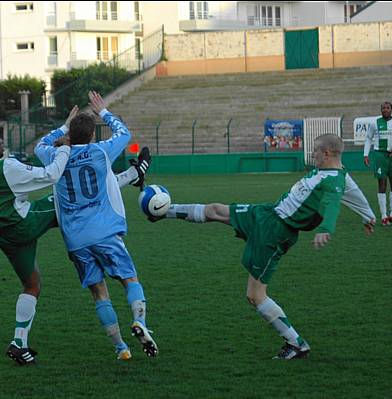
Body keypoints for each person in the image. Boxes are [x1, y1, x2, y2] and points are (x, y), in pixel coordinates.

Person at [0, 111, 150, 366]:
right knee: (67, 200)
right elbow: (51, 175)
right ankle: (132, 176)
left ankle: (19, 342)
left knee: (32, 286)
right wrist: (64, 148)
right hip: (23, 224)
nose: (2, 143)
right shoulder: (6, 166)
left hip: (1, 235)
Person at [149, 134, 375, 359]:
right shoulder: (339, 173)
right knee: (215, 210)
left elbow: (333, 204)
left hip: (276, 233)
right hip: (268, 213)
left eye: (315, 151)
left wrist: (326, 228)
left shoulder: (333, 180)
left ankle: (296, 343)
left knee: (255, 295)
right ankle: (161, 211)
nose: (312, 154)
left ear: (326, 154)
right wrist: (369, 216)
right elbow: (354, 191)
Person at [35, 91, 157, 361]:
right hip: (104, 232)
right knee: (129, 279)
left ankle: (121, 348)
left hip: (75, 239)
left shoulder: (56, 156)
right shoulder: (101, 151)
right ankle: (140, 322)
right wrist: (104, 112)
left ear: (70, 135)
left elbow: (39, 145)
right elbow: (124, 134)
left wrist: (63, 127)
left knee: (99, 292)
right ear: (91, 136)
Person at [363, 101, 392, 226]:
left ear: (391, 109)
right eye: (383, 108)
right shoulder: (375, 122)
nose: (385, 110)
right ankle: (384, 215)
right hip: (380, 155)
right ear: (381, 110)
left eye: (387, 108)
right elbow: (369, 138)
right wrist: (365, 154)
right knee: (382, 183)